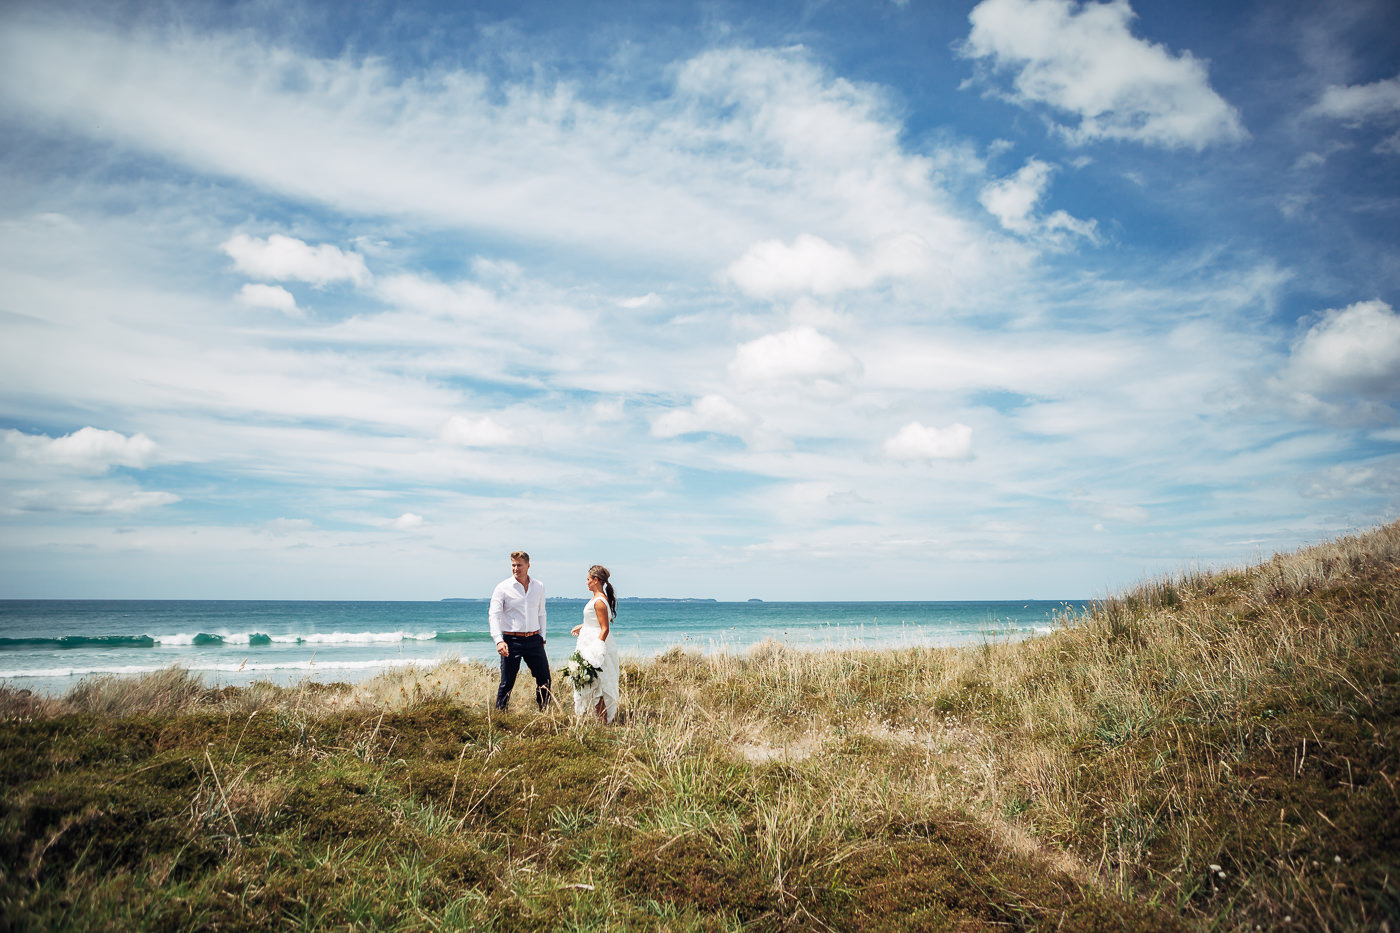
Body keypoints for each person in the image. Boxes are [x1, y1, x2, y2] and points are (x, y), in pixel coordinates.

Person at [489, 550, 551, 711]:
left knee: (545, 679)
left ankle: (544, 713)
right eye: (513, 565)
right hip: (511, 641)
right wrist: (498, 640)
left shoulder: (539, 586)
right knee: (507, 682)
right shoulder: (502, 587)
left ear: (528, 566)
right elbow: (494, 615)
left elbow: (541, 613)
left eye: (519, 565)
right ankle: (499, 716)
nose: (516, 568)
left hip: (534, 639)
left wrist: (542, 637)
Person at [570, 564, 619, 723]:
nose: (586, 582)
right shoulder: (597, 599)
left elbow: (604, 629)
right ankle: (599, 721)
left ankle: (603, 723)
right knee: (593, 684)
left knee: (599, 685)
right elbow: (596, 622)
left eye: (588, 579)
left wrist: (594, 653)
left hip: (596, 647)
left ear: (596, 580)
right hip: (589, 641)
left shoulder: (599, 601)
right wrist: (583, 625)